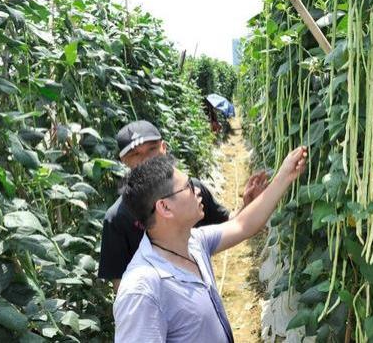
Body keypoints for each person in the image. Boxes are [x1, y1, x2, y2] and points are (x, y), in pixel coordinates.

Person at [113, 147, 307, 342]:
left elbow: (242, 225)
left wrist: (286, 174)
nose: (198, 190)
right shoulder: (142, 290)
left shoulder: (194, 242)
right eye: (188, 186)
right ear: (164, 207)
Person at [98, 120, 268, 292]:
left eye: (152, 149)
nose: (147, 159)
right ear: (123, 161)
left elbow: (231, 225)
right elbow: (121, 286)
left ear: (164, 148)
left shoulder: (192, 191)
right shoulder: (117, 219)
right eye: (136, 154)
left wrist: (247, 206)